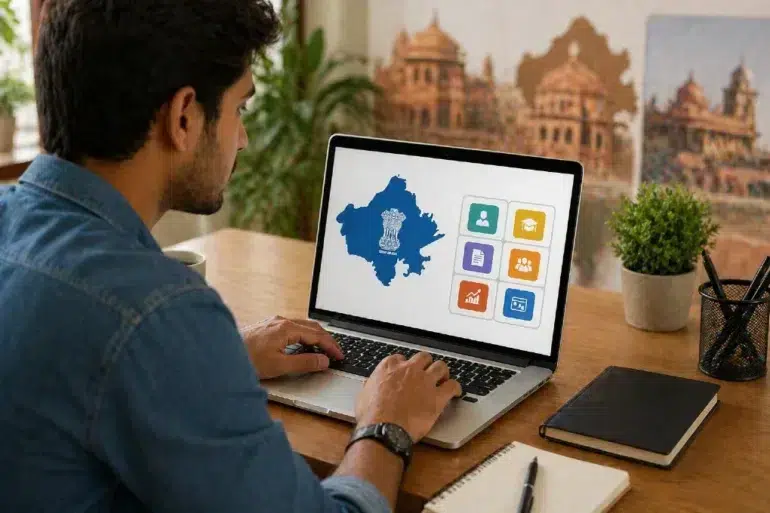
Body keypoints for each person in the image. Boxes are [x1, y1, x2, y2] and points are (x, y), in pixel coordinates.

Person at [0, 1, 461, 512]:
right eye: (240, 108)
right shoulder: (155, 312)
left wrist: (211, 361)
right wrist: (386, 425)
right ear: (183, 117)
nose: (241, 137)